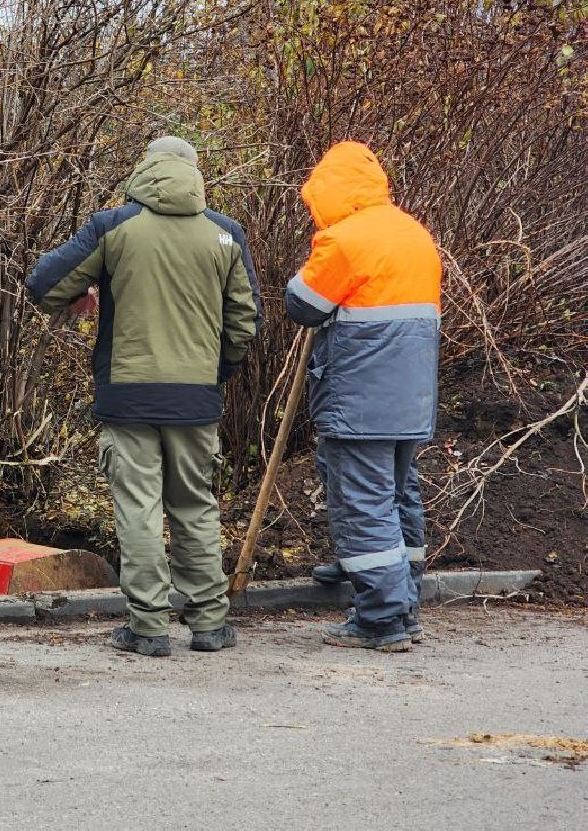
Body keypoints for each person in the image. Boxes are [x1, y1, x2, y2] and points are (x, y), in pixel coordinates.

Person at [26, 136, 260, 656]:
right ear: (196, 174)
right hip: (195, 398)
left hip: (128, 397)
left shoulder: (113, 227)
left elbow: (44, 284)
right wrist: (213, 374)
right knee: (196, 507)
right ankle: (209, 625)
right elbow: (245, 322)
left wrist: (89, 291)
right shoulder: (225, 234)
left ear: (145, 170)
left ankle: (148, 629)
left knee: (139, 510)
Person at [284, 141, 441, 653]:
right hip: (410, 400)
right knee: (399, 497)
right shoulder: (414, 233)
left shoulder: (345, 240)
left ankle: (381, 617)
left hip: (359, 402)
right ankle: (405, 604)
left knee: (364, 505)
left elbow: (303, 304)